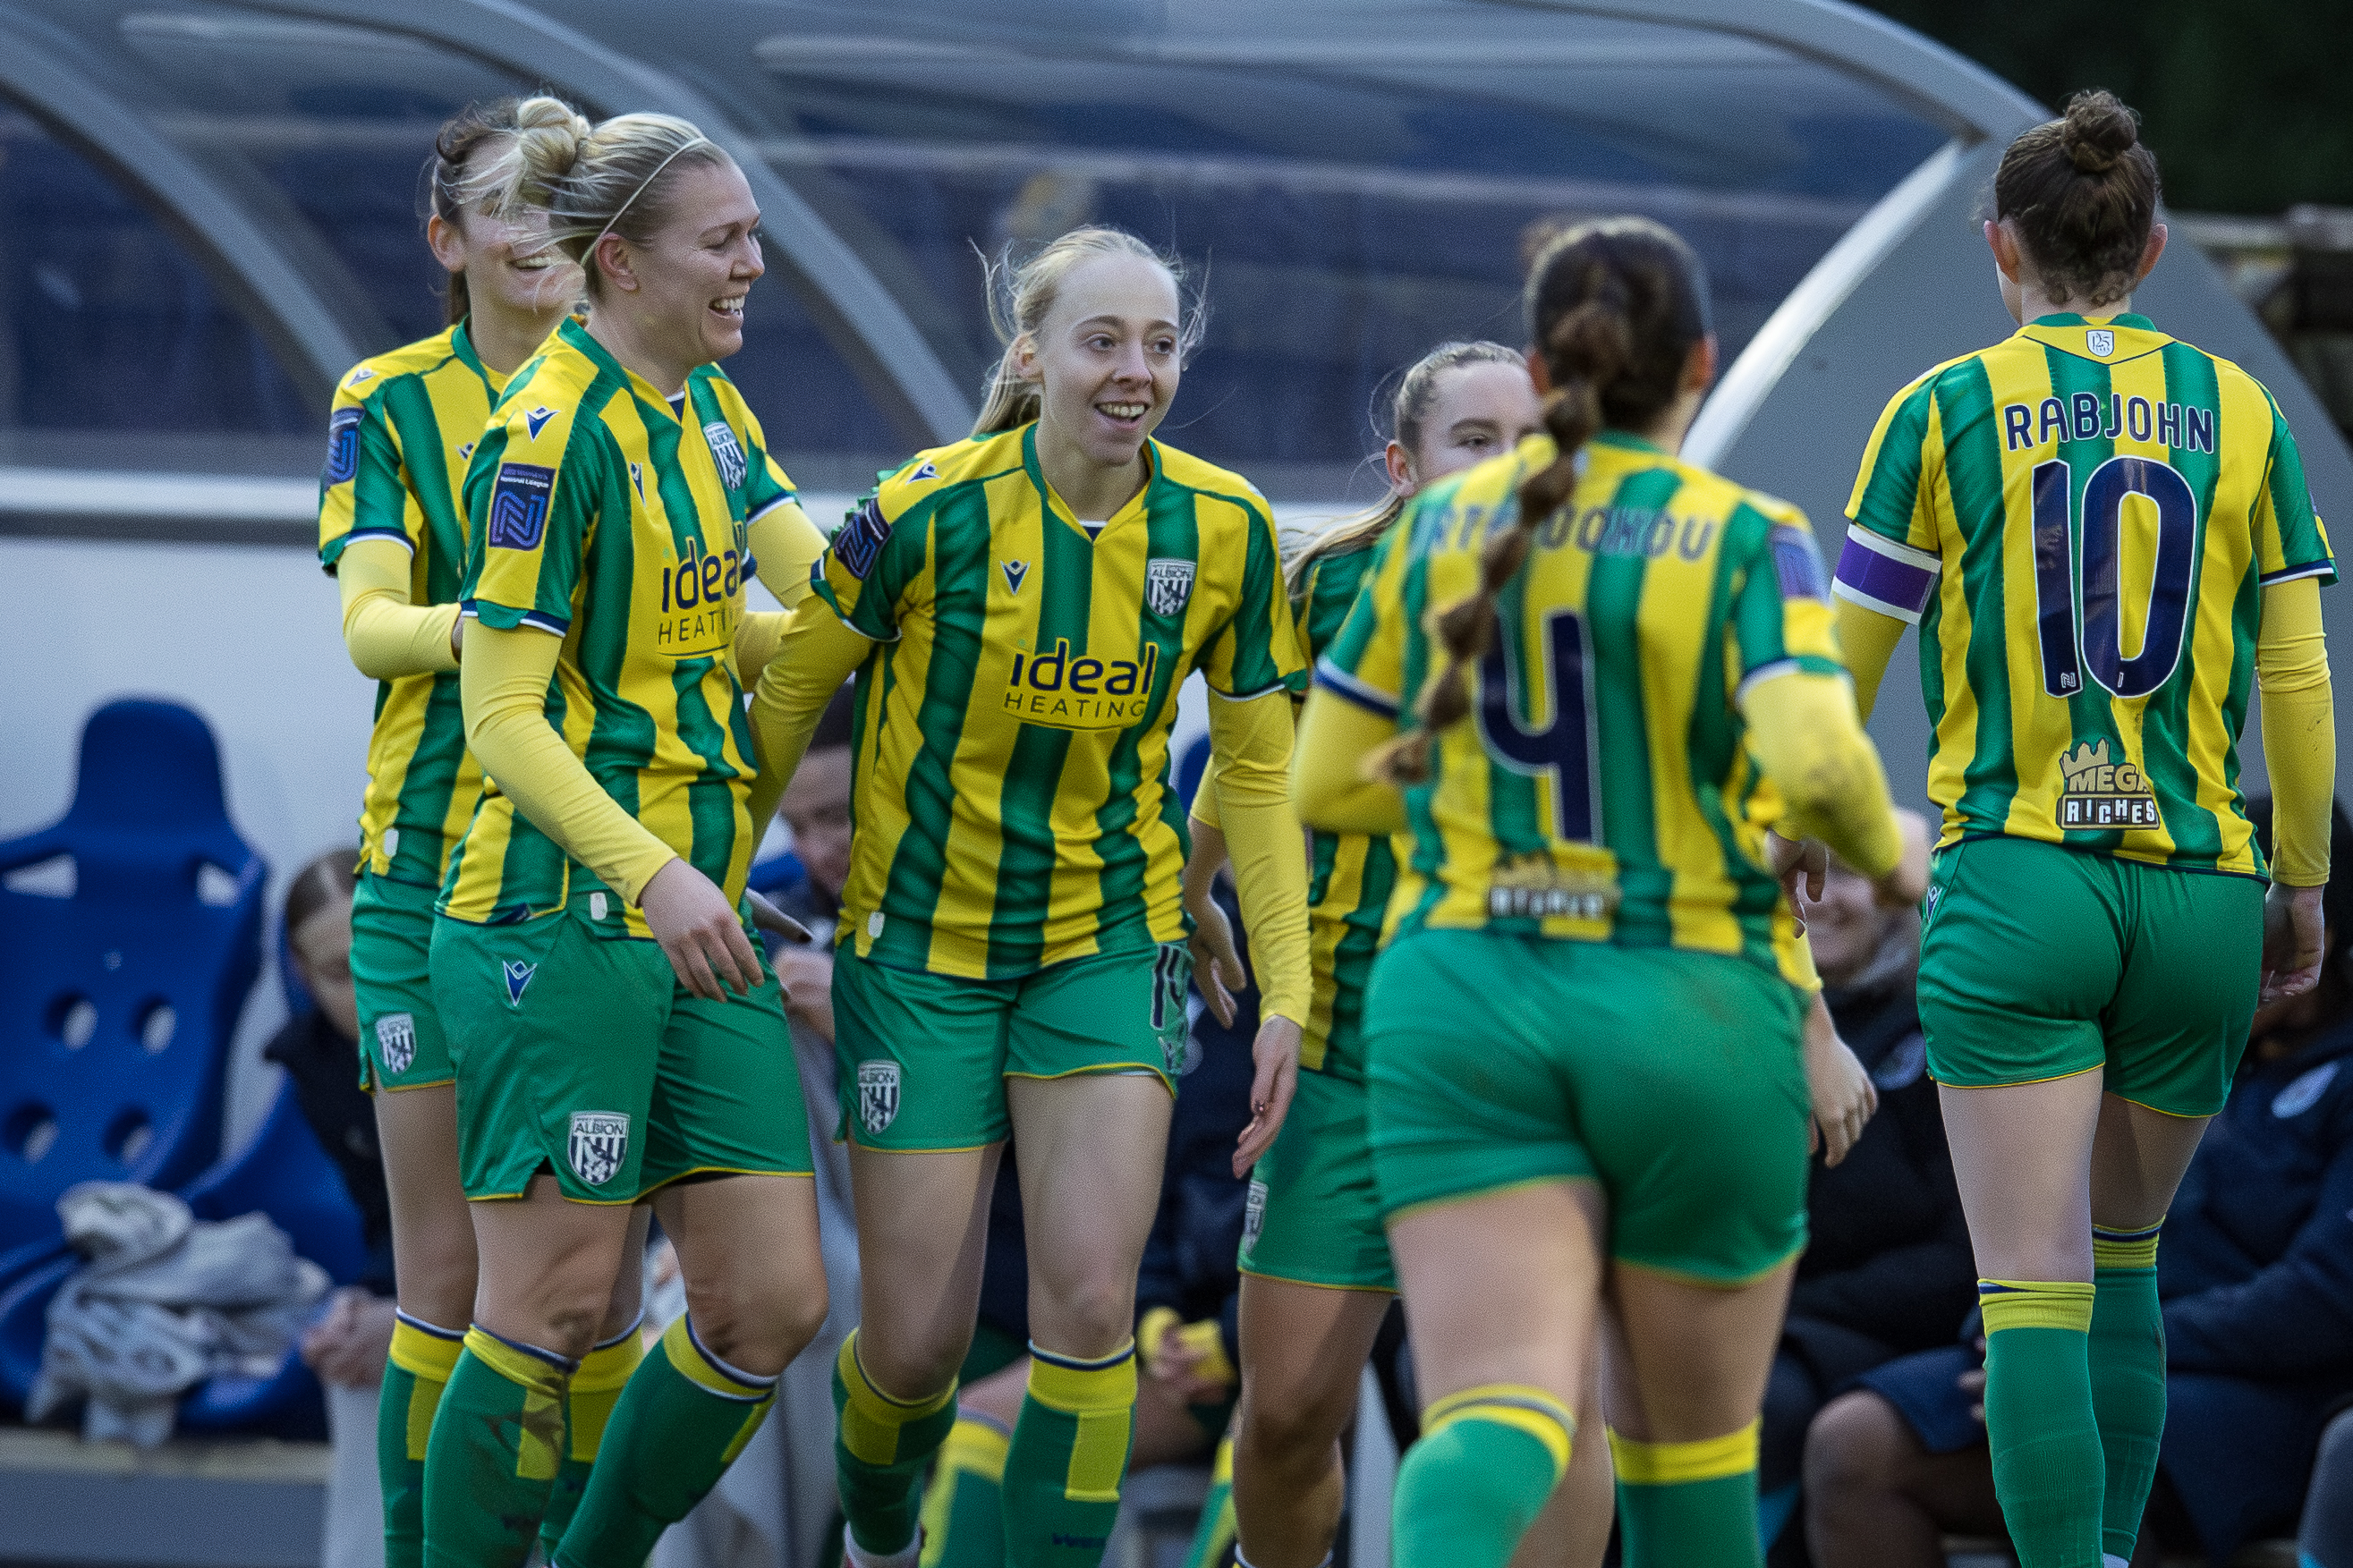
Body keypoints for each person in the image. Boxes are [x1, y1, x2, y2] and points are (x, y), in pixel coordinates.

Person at [1291, 214, 1907, 1568]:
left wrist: (1484, 810)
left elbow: (1325, 786)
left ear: (1540, 362)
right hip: (1685, 1002)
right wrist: (1893, 845)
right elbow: (1812, 761)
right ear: (1700, 359)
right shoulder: (1747, 533)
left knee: (1498, 1413)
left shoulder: (1446, 524)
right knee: (1688, 1466)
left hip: (1464, 992)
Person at [743, 224, 1313, 1568]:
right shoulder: (929, 505)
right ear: (1032, 354)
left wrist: (1285, 986)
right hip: (922, 955)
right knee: (914, 1346)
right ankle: (880, 1539)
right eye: (1102, 340)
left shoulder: (1221, 528)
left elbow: (1255, 770)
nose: (1136, 371)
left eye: (1160, 344)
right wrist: (699, 880)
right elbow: (785, 698)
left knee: (1087, 1310)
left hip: (1103, 948)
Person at [1828, 89, 2336, 1568]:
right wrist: (2297, 880)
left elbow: (1837, 674)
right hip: (2196, 890)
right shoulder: (2239, 411)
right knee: (2127, 1262)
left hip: (2022, 872)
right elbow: (2297, 678)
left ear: (2002, 248)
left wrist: (1811, 823)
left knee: (2030, 1284)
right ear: (2156, 249)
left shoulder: (1939, 408)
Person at [421, 106, 831, 1568]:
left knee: (771, 1303)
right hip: (561, 918)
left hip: (692, 917)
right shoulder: (547, 434)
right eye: (724, 241)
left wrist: (965, 524)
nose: (754, 266)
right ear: (621, 262)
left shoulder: (710, 411)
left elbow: (787, 609)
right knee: (551, 1306)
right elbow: (503, 715)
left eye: (753, 235)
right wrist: (649, 871)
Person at [1182, 340, 1601, 1568]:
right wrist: (1191, 875)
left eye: (1530, 442)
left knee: (1555, 1398)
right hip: (1347, 1043)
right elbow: (1250, 769)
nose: (1506, 465)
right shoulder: (1323, 586)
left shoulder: (1615, 588)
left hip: (1539, 1047)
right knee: (1290, 1411)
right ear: (1402, 464)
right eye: (1473, 440)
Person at [315, 96, 651, 1568]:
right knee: (446, 1278)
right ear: (446, 239)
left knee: (606, 1295)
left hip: (602, 888)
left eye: (561, 202)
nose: (538, 233)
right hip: (429, 880)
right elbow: (371, 627)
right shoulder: (387, 398)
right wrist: (501, 622)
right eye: (505, 206)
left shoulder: (654, 391)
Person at [1805, 797, 2353, 1566]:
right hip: (2090, 1328)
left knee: (2095, 1416)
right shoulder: (2163, 1042)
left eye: (2232, 906)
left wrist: (2111, 1338)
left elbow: (2325, 1296)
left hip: (2244, 1383)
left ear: (2310, 930)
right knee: (1853, 1437)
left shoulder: (2337, 1079)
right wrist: (2020, 1334)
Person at [1759, 810, 1973, 1559]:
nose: (1818, 897)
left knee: (1743, 1404)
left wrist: (1788, 1302)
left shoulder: (1941, 1029)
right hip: (1763, 1311)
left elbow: (1959, 1258)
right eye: (1802, 875)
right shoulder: (1753, 1021)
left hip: (1874, 1336)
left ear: (1898, 895)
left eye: (1845, 875)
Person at [274, 852, 397, 1568]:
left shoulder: (482, 1028)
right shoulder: (315, 1062)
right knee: (353, 1363)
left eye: (383, 958)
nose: (371, 991)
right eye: (340, 975)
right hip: (447, 1287)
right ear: (299, 970)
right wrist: (364, 1307)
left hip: (570, 1275)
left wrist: (413, 1316)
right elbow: (388, 1216)